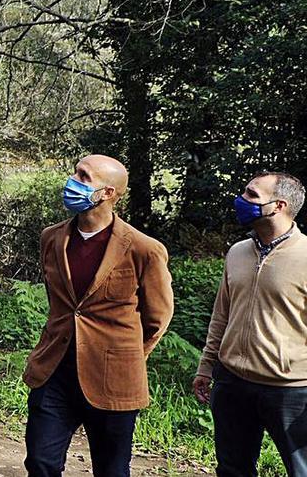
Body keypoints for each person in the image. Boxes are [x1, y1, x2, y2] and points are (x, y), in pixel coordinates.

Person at [22, 154, 174, 477]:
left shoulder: (143, 249)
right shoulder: (52, 238)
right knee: (40, 462)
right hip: (55, 371)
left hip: (114, 379)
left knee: (111, 470)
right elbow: (60, 303)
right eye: (75, 171)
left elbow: (158, 317)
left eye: (83, 176)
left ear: (107, 193)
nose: (72, 180)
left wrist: (127, 356)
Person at [193, 172, 307, 476]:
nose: (241, 200)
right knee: (232, 469)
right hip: (231, 383)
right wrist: (207, 366)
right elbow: (221, 314)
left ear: (279, 205)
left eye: (251, 194)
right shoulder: (237, 252)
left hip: (291, 390)